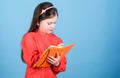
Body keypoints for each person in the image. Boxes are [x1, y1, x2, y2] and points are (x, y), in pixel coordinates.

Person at [21, 2, 66, 78]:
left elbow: (62, 67)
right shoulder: (29, 37)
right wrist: (48, 52)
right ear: (38, 22)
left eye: (54, 23)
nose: (52, 26)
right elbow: (31, 61)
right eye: (49, 23)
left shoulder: (57, 40)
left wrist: (57, 63)